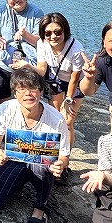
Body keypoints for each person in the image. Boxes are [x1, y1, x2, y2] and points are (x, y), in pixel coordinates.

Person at [0, 67, 70, 223]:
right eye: (22, 89)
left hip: (41, 164)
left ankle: (41, 206)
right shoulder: (6, 109)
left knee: (42, 165)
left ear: (41, 91)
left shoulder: (56, 118)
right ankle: (20, 180)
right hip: (14, 159)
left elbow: (64, 155)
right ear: (15, 93)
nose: (28, 94)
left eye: (33, 88)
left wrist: (60, 164)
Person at [35, 12, 85, 184]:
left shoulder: (76, 49)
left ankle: (65, 163)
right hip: (55, 79)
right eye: (48, 33)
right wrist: (28, 67)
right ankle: (52, 158)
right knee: (54, 119)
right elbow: (42, 69)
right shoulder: (42, 43)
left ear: (65, 31)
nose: (53, 36)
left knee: (67, 122)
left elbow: (75, 78)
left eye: (58, 32)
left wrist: (69, 98)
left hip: (75, 82)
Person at [0, 0, 43, 103]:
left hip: (27, 63)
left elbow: (39, 42)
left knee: (27, 97)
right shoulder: (0, 11)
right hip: (3, 61)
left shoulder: (36, 12)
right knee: (2, 98)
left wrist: (25, 34)